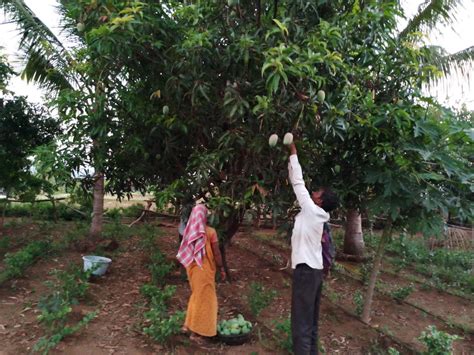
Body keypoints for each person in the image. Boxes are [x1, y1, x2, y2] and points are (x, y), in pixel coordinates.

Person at [287, 142, 339, 355]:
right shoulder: (316, 215)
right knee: (311, 322)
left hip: (306, 273)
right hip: (314, 273)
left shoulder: (311, 211)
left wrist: (293, 153)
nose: (313, 192)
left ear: (319, 200)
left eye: (316, 192)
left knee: (301, 323)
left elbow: (298, 184)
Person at [176, 204, 226, 343]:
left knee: (197, 295)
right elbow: (216, 252)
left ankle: (187, 325)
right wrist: (221, 268)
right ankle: (198, 332)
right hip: (204, 270)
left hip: (192, 268)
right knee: (206, 299)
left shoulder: (189, 232)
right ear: (204, 216)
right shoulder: (210, 232)